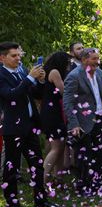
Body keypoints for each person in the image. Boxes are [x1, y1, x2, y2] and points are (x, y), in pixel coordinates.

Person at [0, 42, 49, 207]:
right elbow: (10, 94)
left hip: (29, 125)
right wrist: (29, 78)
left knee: (37, 163)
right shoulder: (1, 75)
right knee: (12, 167)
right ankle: (13, 204)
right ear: (2, 58)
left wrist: (40, 81)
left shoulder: (21, 70)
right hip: (13, 128)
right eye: (13, 56)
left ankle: (41, 201)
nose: (18, 58)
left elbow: (33, 93)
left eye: (19, 55)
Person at [63, 48, 102, 194]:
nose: (98, 62)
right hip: (82, 122)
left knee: (101, 152)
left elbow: (97, 92)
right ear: (84, 60)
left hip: (99, 118)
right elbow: (68, 102)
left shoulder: (97, 72)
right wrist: (74, 124)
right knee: (84, 156)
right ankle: (83, 186)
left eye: (98, 58)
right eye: (94, 59)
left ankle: (97, 183)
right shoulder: (74, 76)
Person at [41, 51, 71, 186]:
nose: (68, 66)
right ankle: (43, 180)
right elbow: (64, 91)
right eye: (67, 63)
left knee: (59, 146)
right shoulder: (54, 72)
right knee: (56, 148)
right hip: (54, 113)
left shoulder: (47, 71)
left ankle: (58, 178)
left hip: (51, 112)